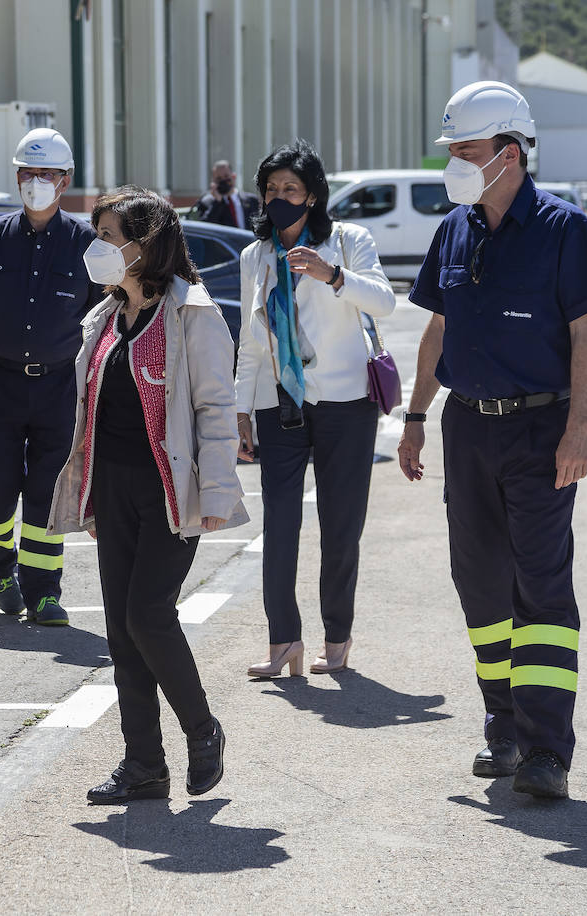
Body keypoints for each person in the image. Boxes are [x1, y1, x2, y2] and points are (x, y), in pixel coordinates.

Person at [399, 81, 587, 800]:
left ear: (509, 154)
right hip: (467, 426)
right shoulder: (454, 228)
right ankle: (504, 727)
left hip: (541, 428)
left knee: (542, 584)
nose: (453, 161)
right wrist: (417, 417)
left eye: (465, 149)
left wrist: (577, 429)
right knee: (480, 580)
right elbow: (438, 327)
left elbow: (586, 331)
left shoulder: (564, 228)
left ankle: (547, 750)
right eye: (451, 149)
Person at [48, 186, 246, 803]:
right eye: (99, 234)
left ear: (145, 244)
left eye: (110, 236)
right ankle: (143, 766)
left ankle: (202, 728)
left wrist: (215, 492)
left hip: (170, 490)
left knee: (147, 615)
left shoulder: (193, 312)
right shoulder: (105, 316)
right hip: (114, 487)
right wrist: (86, 492)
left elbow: (216, 408)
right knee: (119, 629)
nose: (98, 247)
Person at [234, 140, 396, 679]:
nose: (280, 197)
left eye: (292, 189)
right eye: (272, 189)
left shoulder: (349, 241)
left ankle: (337, 637)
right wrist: (240, 407)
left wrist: (333, 275)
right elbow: (251, 342)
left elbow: (386, 301)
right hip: (279, 403)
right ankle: (284, 641)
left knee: (340, 524)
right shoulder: (254, 255)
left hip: (346, 402)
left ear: (313, 196)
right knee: (278, 524)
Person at [0, 128, 99, 624]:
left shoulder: (87, 244)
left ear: (65, 181)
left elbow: (102, 318)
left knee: (48, 488)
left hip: (61, 384)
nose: (37, 181)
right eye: (30, 173)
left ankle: (43, 592)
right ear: (17, 177)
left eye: (48, 174)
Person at [192, 160, 260, 229]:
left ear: (233, 176)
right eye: (219, 178)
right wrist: (217, 202)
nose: (223, 180)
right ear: (214, 182)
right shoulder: (207, 202)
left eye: (226, 176)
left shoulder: (251, 200)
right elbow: (206, 227)